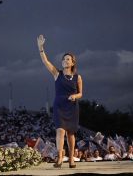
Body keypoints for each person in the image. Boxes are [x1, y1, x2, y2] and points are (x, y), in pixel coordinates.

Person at [37, 35, 83, 168]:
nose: (65, 60)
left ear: (73, 62)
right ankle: (60, 158)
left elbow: (81, 93)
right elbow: (46, 61)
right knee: (60, 131)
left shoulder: (78, 77)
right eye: (64, 59)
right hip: (59, 106)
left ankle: (72, 159)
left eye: (68, 59)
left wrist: (75, 96)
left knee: (70, 134)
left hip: (72, 106)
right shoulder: (57, 74)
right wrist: (41, 48)